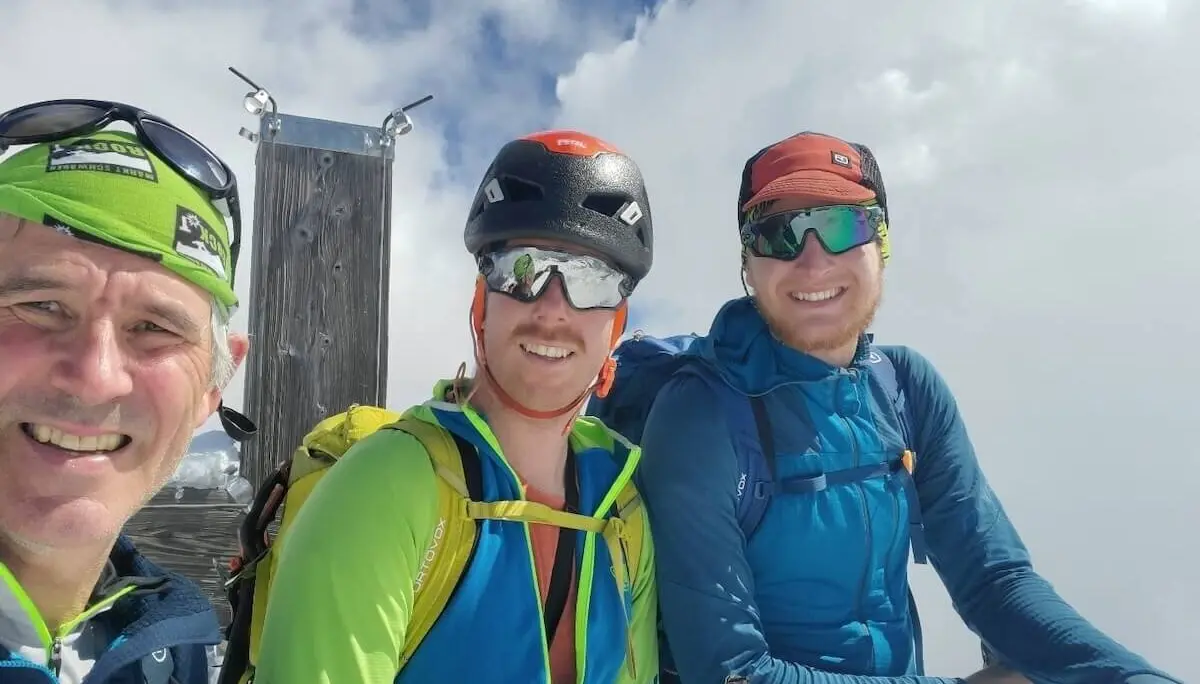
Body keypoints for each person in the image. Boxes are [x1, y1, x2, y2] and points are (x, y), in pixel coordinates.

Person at [601, 131, 1182, 683]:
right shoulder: (700, 412)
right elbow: (729, 671)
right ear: (748, 264)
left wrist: (1130, 675)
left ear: (882, 243)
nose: (812, 260)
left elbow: (992, 580)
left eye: (842, 225)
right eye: (777, 233)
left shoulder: (906, 388)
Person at [250, 130, 659, 684]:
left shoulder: (622, 509)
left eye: (593, 281)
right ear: (481, 303)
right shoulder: (388, 482)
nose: (554, 308)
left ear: (617, 327)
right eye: (523, 268)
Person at [0, 99, 255, 684]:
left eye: (155, 329)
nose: (96, 376)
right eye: (40, 306)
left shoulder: (175, 640)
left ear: (214, 385)